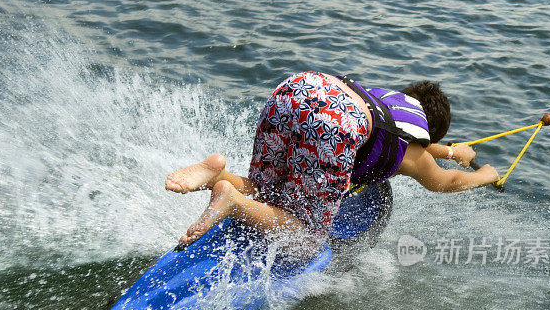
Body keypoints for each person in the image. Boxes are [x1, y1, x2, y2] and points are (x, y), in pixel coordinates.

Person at [165, 71, 500, 248]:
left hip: (299, 89)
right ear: (429, 132)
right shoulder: (410, 145)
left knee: (269, 191)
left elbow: (407, 142)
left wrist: (453, 152)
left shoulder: (389, 103)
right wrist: (485, 173)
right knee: (307, 239)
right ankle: (232, 201)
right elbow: (447, 181)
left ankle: (216, 175)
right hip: (334, 125)